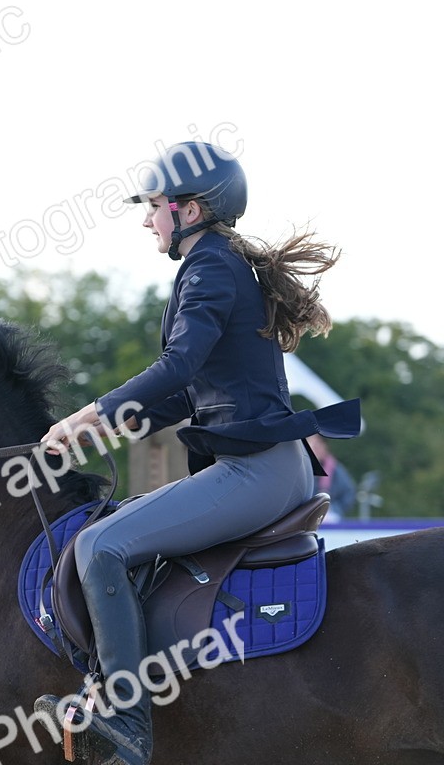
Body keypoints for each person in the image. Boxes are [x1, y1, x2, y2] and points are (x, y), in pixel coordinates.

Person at [35, 142, 361, 765]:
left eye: (154, 206)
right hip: (262, 465)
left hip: (256, 471)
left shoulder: (210, 267)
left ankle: (125, 719)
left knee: (98, 548)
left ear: (189, 209)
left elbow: (178, 363)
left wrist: (89, 413)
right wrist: (98, 433)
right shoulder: (215, 263)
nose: (146, 219)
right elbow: (188, 391)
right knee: (113, 534)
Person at [308, 434, 357, 519]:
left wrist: (335, 510)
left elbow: (348, 493)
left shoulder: (335, 469)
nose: (313, 449)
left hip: (329, 518)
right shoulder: (300, 470)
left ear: (325, 446)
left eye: (317, 445)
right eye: (310, 445)